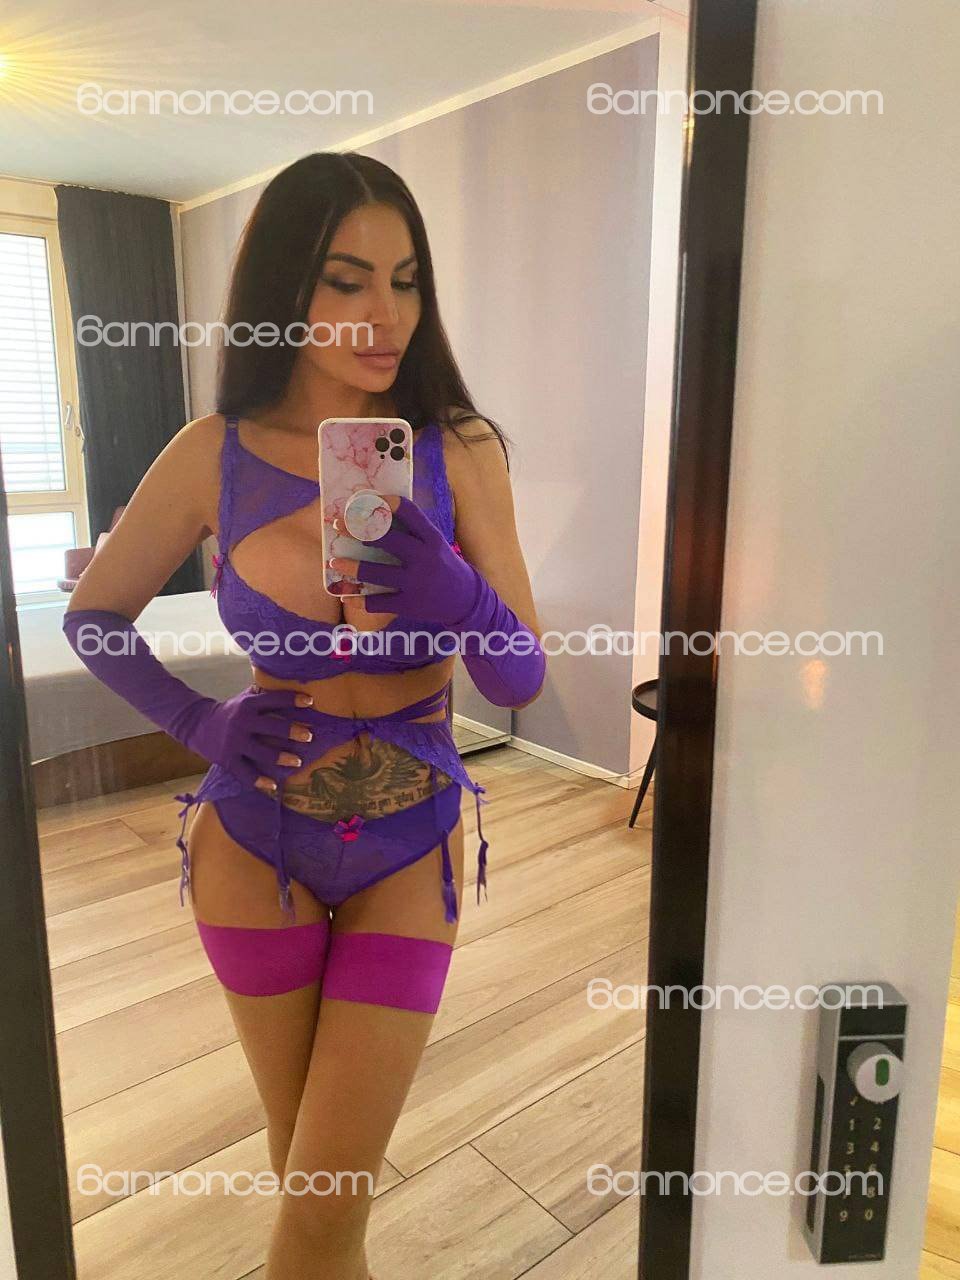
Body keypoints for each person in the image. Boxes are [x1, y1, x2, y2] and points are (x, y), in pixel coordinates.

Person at [62, 151, 545, 1280]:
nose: (387, 314)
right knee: (310, 1173)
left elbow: (519, 678)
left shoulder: (458, 450)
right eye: (346, 279)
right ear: (285, 284)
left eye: (407, 279)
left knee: (327, 1193)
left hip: (411, 842)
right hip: (251, 840)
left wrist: (461, 595)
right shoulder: (212, 454)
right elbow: (94, 618)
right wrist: (196, 723)